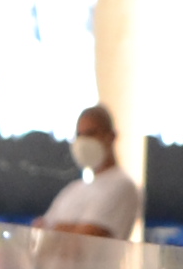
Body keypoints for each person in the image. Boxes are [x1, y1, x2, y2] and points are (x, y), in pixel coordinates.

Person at [34, 100, 141, 238]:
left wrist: (53, 229)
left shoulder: (122, 185)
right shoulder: (73, 189)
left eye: (91, 134)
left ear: (111, 136)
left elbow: (87, 240)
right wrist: (64, 230)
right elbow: (37, 234)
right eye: (79, 135)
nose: (84, 141)